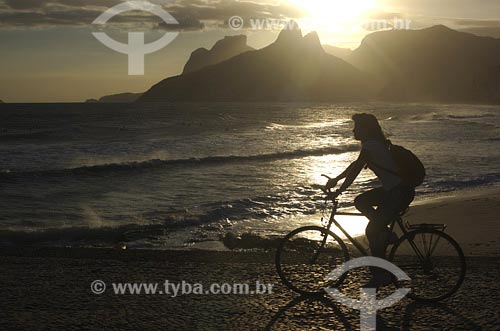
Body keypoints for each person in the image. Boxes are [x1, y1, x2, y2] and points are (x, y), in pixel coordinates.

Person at [324, 113, 415, 283]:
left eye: (357, 127)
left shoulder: (371, 146)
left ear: (366, 129)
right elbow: (354, 165)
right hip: (395, 190)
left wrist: (339, 191)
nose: (353, 130)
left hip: (398, 192)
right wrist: (336, 180)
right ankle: (386, 233)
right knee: (361, 201)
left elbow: (356, 170)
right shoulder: (373, 144)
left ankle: (381, 274)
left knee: (372, 231)